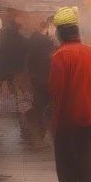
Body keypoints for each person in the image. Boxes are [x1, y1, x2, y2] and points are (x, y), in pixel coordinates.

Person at [48, 7, 91, 182]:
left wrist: (53, 121)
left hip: (68, 118)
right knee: (87, 162)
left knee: (65, 162)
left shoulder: (60, 56)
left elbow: (55, 91)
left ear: (60, 33)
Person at [0, 8, 29, 137]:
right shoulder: (22, 37)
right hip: (17, 71)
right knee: (20, 98)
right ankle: (23, 124)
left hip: (0, 69)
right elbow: (25, 54)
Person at [25, 15, 56, 145]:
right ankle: (42, 129)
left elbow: (30, 59)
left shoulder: (34, 39)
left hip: (39, 77)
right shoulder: (48, 41)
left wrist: (31, 74)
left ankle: (40, 130)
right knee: (47, 104)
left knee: (40, 104)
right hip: (47, 77)